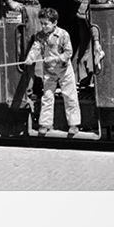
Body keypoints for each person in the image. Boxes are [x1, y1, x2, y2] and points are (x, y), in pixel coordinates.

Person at [24, 7, 81, 136]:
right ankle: (45, 124)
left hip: (64, 70)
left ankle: (74, 124)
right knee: (47, 97)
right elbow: (36, 48)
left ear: (54, 23)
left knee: (70, 96)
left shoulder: (63, 34)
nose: (43, 26)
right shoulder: (40, 36)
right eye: (41, 23)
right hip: (49, 72)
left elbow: (68, 52)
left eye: (46, 24)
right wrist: (30, 58)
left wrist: (56, 58)